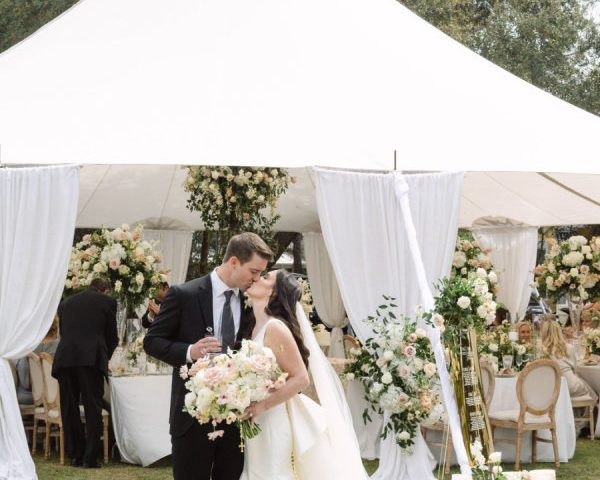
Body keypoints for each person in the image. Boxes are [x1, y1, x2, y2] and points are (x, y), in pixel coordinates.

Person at [144, 232, 272, 480]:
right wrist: (190, 351)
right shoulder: (184, 294)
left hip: (236, 418)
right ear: (234, 262)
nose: (257, 279)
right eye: (254, 271)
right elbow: (152, 341)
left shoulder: (251, 302)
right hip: (192, 416)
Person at [240, 270, 368, 479]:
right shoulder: (255, 327)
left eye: (265, 277)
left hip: (271, 417)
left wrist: (262, 406)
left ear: (273, 293)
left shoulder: (275, 328)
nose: (256, 277)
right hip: (256, 417)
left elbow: (300, 378)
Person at [52, 277, 118, 468]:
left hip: (65, 358)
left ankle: (75, 455)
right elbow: (112, 338)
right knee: (92, 407)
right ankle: (90, 458)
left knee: (69, 407)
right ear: (105, 290)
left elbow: (64, 332)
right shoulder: (107, 302)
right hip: (90, 359)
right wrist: (104, 357)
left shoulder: (66, 302)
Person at [540, 320, 597, 403]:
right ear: (559, 332)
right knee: (592, 388)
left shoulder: (541, 351)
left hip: (551, 389)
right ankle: (594, 409)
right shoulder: (568, 347)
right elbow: (575, 369)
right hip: (571, 386)